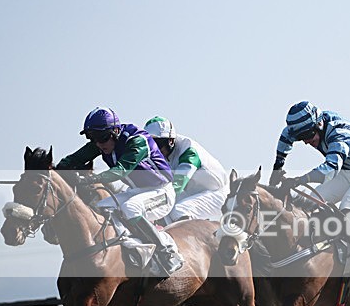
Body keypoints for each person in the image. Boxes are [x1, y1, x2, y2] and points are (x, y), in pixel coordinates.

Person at [56, 107, 183, 275]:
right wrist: (52, 172)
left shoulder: (137, 141)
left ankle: (166, 252)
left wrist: (89, 179)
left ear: (115, 131)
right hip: (137, 191)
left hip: (162, 192)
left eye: (101, 137)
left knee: (131, 208)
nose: (99, 144)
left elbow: (121, 170)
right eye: (92, 138)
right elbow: (74, 159)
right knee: (101, 207)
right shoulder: (102, 142)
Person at [269, 101, 350, 278]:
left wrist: (300, 180)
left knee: (348, 206)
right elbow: (285, 139)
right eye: (302, 139)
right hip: (346, 171)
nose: (308, 142)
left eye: (309, 135)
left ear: (319, 124)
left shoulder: (339, 133)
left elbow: (331, 168)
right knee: (309, 202)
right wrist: (277, 170)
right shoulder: (300, 127)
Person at [144, 116, 228, 223]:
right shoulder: (159, 155)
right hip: (194, 193)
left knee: (179, 210)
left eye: (157, 144)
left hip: (218, 193)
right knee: (161, 211)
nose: (154, 150)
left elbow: (177, 185)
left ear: (170, 141)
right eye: (150, 145)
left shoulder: (189, 151)